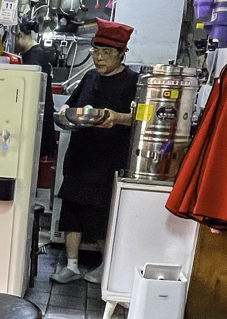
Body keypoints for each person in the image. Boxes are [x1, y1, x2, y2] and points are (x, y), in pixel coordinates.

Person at [52, 19, 137, 284]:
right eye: (95, 52)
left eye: (106, 53)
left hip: (109, 156)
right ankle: (72, 265)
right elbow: (69, 107)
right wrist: (65, 115)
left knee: (102, 213)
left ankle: (106, 267)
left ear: (122, 54)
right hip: (80, 153)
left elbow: (140, 118)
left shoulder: (133, 81)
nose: (99, 58)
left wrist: (117, 117)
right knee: (72, 208)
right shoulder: (89, 77)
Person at [16, 22, 58, 160]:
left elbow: (31, 90)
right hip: (42, 114)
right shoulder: (36, 52)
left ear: (20, 35)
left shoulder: (34, 56)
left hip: (39, 116)